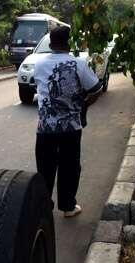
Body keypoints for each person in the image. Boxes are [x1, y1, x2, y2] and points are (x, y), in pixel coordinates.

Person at [34, 25, 102, 217]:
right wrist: (84, 106)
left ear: (51, 43)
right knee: (69, 167)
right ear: (69, 43)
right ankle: (68, 207)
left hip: (45, 128)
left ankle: (43, 208)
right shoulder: (78, 64)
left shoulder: (39, 64)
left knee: (45, 168)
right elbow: (96, 88)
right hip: (71, 128)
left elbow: (38, 87)